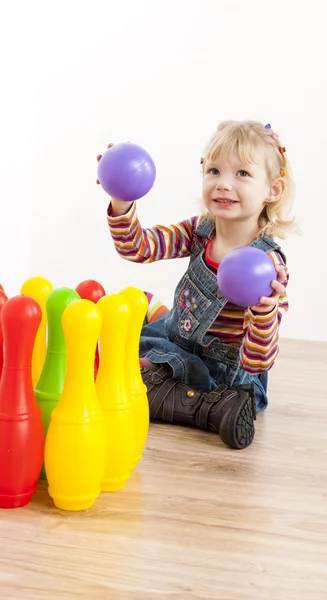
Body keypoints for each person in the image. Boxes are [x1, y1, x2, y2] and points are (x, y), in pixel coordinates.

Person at [97, 120, 296, 450]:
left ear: (272, 190)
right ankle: (158, 329)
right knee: (121, 339)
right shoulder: (200, 231)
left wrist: (265, 315)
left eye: (242, 174)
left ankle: (215, 407)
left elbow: (258, 361)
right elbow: (138, 248)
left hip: (227, 372)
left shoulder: (267, 265)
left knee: (129, 383)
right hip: (179, 340)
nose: (223, 184)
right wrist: (121, 201)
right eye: (215, 170)